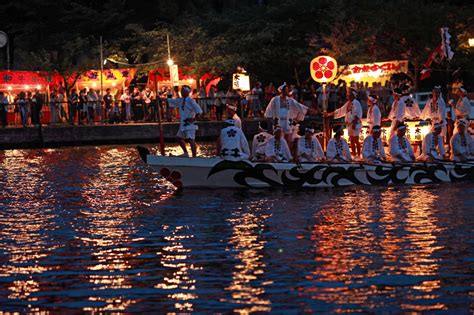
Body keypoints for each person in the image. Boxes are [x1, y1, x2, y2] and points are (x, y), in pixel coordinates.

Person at [264, 82, 308, 147]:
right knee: (279, 138)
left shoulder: (290, 100)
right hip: (278, 121)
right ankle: (279, 152)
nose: (287, 91)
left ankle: (288, 153)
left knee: (288, 138)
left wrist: (308, 109)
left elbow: (298, 106)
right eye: (286, 89)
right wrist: (271, 120)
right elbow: (269, 110)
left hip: (287, 121)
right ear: (282, 90)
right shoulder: (275, 99)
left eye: (287, 89)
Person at [167, 85, 203, 157]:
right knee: (178, 138)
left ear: (186, 92)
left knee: (191, 140)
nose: (181, 91)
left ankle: (194, 157)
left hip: (189, 124)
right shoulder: (181, 100)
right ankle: (186, 153)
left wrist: (193, 119)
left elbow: (199, 111)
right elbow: (171, 101)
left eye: (183, 90)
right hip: (183, 125)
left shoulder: (191, 101)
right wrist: (160, 99)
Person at [326, 88, 362, 158]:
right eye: (347, 94)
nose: (347, 95)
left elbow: (358, 114)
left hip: (355, 124)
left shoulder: (356, 103)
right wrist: (329, 114)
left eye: (349, 94)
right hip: (350, 124)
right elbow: (340, 111)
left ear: (353, 95)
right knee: (351, 140)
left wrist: (354, 123)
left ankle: (358, 155)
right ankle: (354, 155)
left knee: (356, 140)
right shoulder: (348, 103)